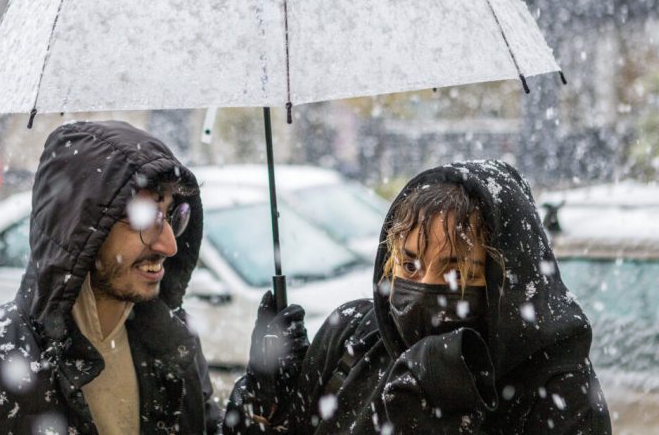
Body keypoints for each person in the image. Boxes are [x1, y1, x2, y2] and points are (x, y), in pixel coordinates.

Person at [225, 159, 611, 434]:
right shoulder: (353, 339)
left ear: (504, 282)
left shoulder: (558, 390)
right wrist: (265, 401)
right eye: (409, 266)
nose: (424, 287)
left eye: (455, 271)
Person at [0, 120, 221, 434]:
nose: (169, 244)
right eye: (145, 217)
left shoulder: (171, 344)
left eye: (171, 215)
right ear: (80, 228)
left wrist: (262, 406)